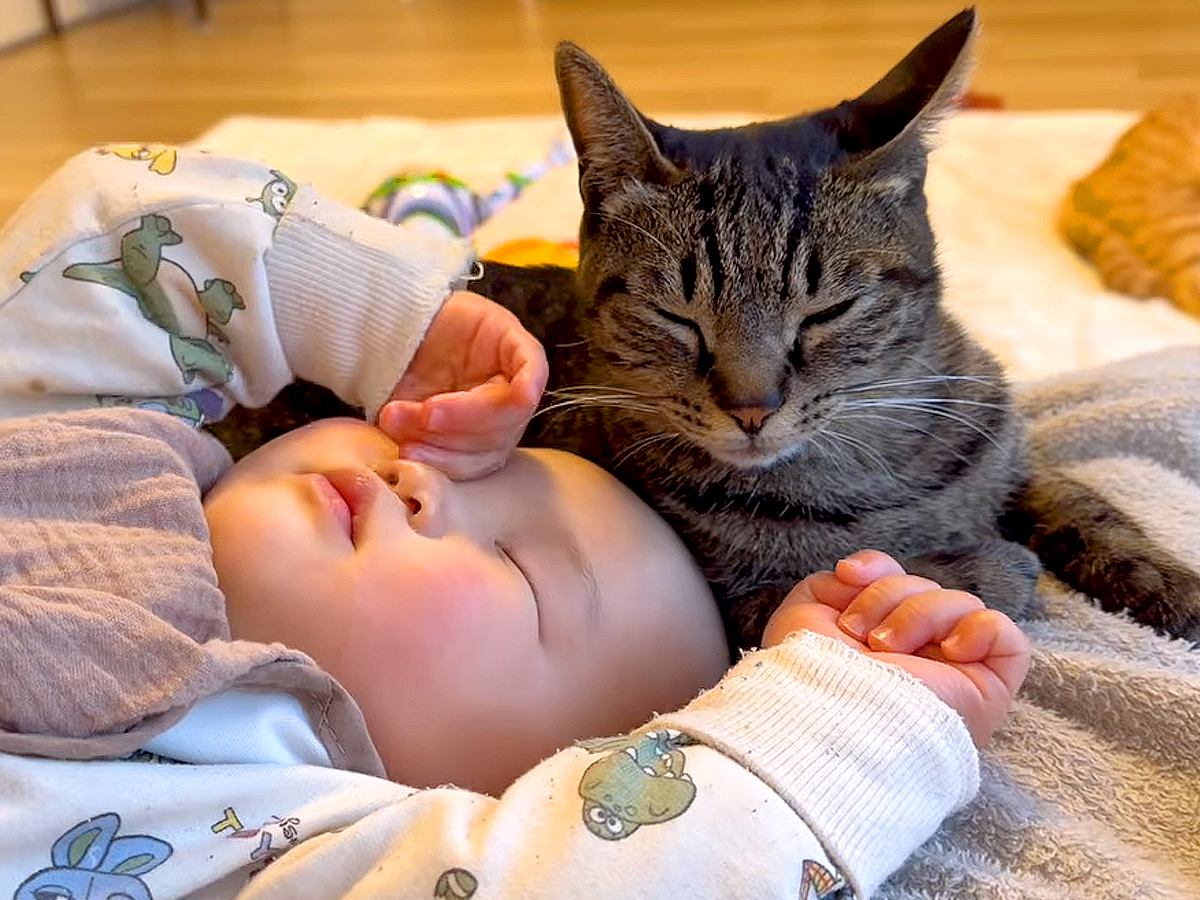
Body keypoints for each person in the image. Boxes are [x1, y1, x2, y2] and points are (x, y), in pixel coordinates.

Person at [0, 147, 1030, 899]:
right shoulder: (105, 444)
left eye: (513, 564)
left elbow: (632, 867)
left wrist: (846, 716)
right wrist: (392, 322)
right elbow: (99, 234)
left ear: (517, 789)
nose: (427, 485)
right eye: (443, 453)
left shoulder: (292, 831)